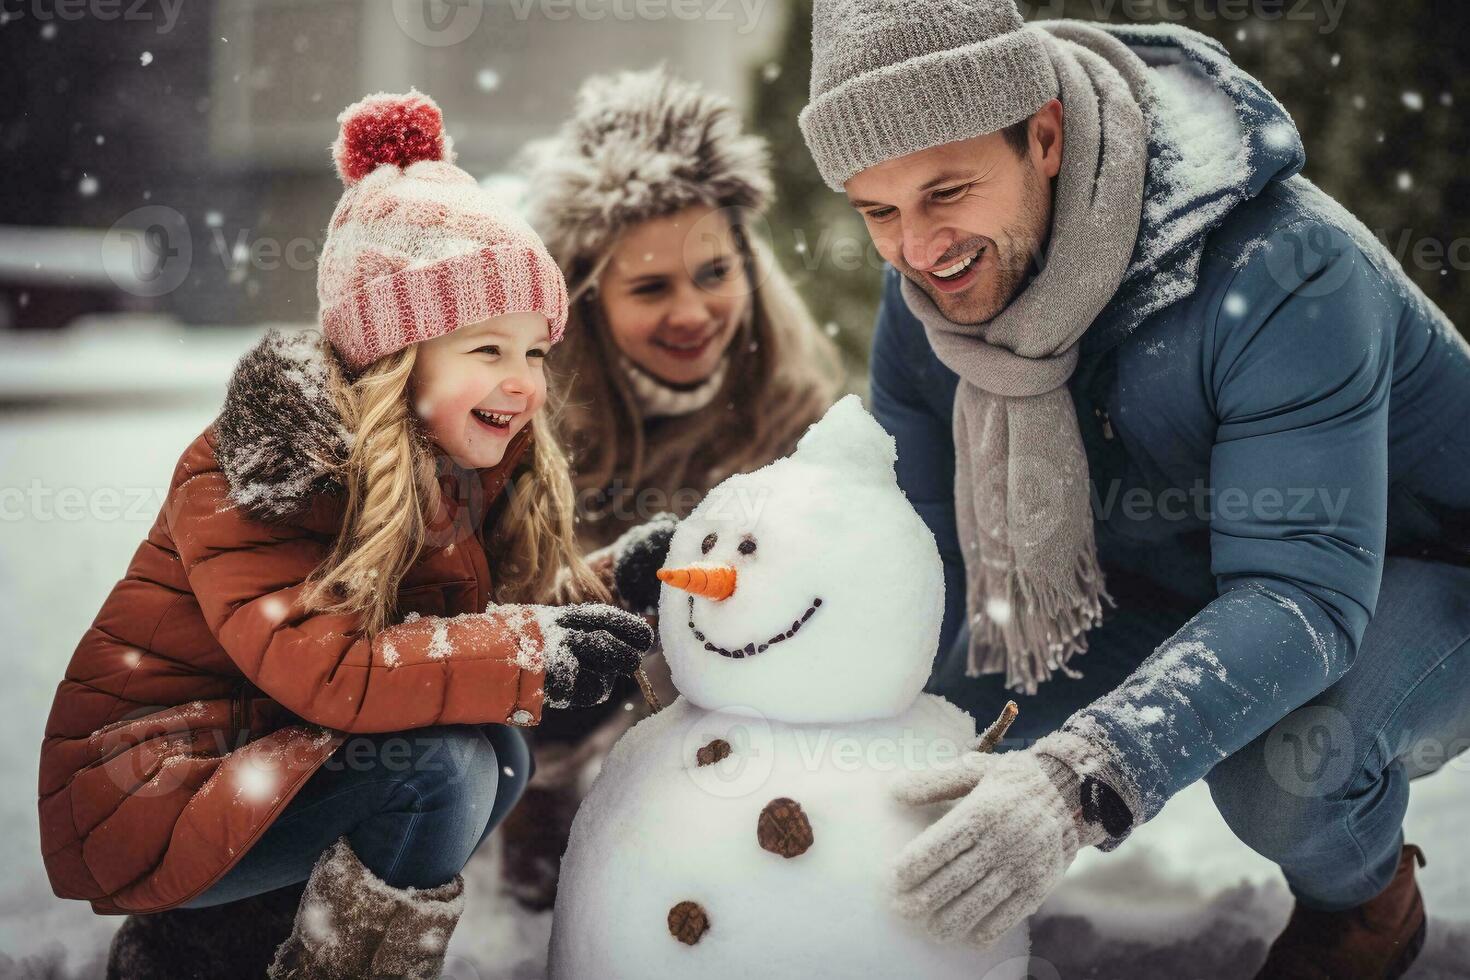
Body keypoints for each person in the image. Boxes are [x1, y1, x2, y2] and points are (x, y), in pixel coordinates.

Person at [798, 2, 1470, 975]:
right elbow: (919, 551)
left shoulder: (1283, 270)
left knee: (1283, 768)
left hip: (1409, 568)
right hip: (1173, 576)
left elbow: (1303, 596)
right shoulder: (934, 317)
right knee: (935, 734)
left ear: (1044, 135)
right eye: (878, 211)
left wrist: (1084, 776)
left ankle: (1364, 902)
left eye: (946, 191)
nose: (918, 248)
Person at [38, 90, 654, 979]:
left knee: (497, 752)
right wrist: (526, 651)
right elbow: (327, 666)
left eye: (535, 352)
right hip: (158, 781)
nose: (523, 381)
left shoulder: (453, 468)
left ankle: (226, 941)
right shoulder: (265, 471)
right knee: (444, 769)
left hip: (270, 755)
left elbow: (464, 632)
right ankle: (238, 946)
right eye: (488, 349)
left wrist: (608, 589)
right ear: (393, 358)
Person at [494, 65, 844, 908]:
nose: (693, 313)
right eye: (650, 287)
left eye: (714, 274)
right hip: (573, 669)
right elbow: (499, 598)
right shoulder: (526, 409)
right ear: (587, 295)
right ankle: (536, 792)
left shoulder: (790, 397)